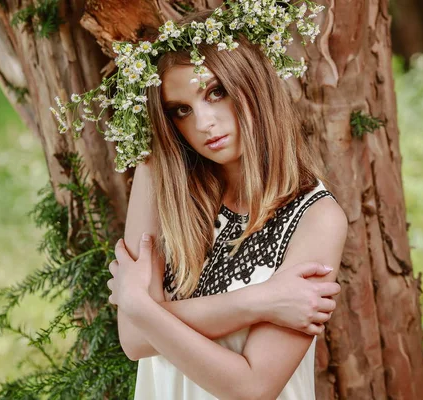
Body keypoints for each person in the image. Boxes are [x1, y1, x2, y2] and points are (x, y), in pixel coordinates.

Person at [106, 9, 348, 400]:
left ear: (253, 87)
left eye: (215, 92)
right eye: (181, 110)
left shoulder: (316, 217)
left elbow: (253, 386)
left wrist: (142, 307)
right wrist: (263, 300)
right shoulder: (164, 191)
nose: (203, 123)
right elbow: (133, 339)